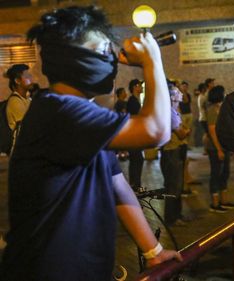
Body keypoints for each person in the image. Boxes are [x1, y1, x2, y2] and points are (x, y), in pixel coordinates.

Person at [0, 6, 180, 281]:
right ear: (73, 58)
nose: (112, 60)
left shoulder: (86, 119)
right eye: (103, 51)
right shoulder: (59, 111)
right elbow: (156, 131)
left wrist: (152, 250)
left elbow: (118, 187)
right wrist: (152, 60)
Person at [161, 84, 191, 226]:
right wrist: (186, 131)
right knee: (174, 185)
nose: (181, 94)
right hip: (172, 151)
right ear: (172, 96)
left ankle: (176, 215)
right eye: (178, 91)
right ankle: (171, 218)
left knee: (176, 185)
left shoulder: (173, 111)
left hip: (174, 150)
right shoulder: (170, 112)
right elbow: (181, 133)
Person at [205, 85, 234, 212]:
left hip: (224, 146)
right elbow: (212, 131)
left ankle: (224, 200)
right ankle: (215, 204)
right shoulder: (212, 110)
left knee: (225, 173)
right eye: (224, 92)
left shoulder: (221, 108)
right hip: (215, 147)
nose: (226, 94)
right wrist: (219, 149)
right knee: (216, 173)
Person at [4, 64, 33, 151]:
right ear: (17, 81)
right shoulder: (15, 102)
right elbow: (29, 127)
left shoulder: (28, 99)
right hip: (22, 152)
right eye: (27, 76)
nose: (31, 79)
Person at [126, 78, 145, 190]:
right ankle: (135, 186)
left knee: (136, 160)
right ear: (135, 87)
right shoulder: (132, 101)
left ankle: (135, 184)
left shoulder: (135, 100)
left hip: (135, 135)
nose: (142, 87)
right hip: (133, 136)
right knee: (136, 160)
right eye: (140, 85)